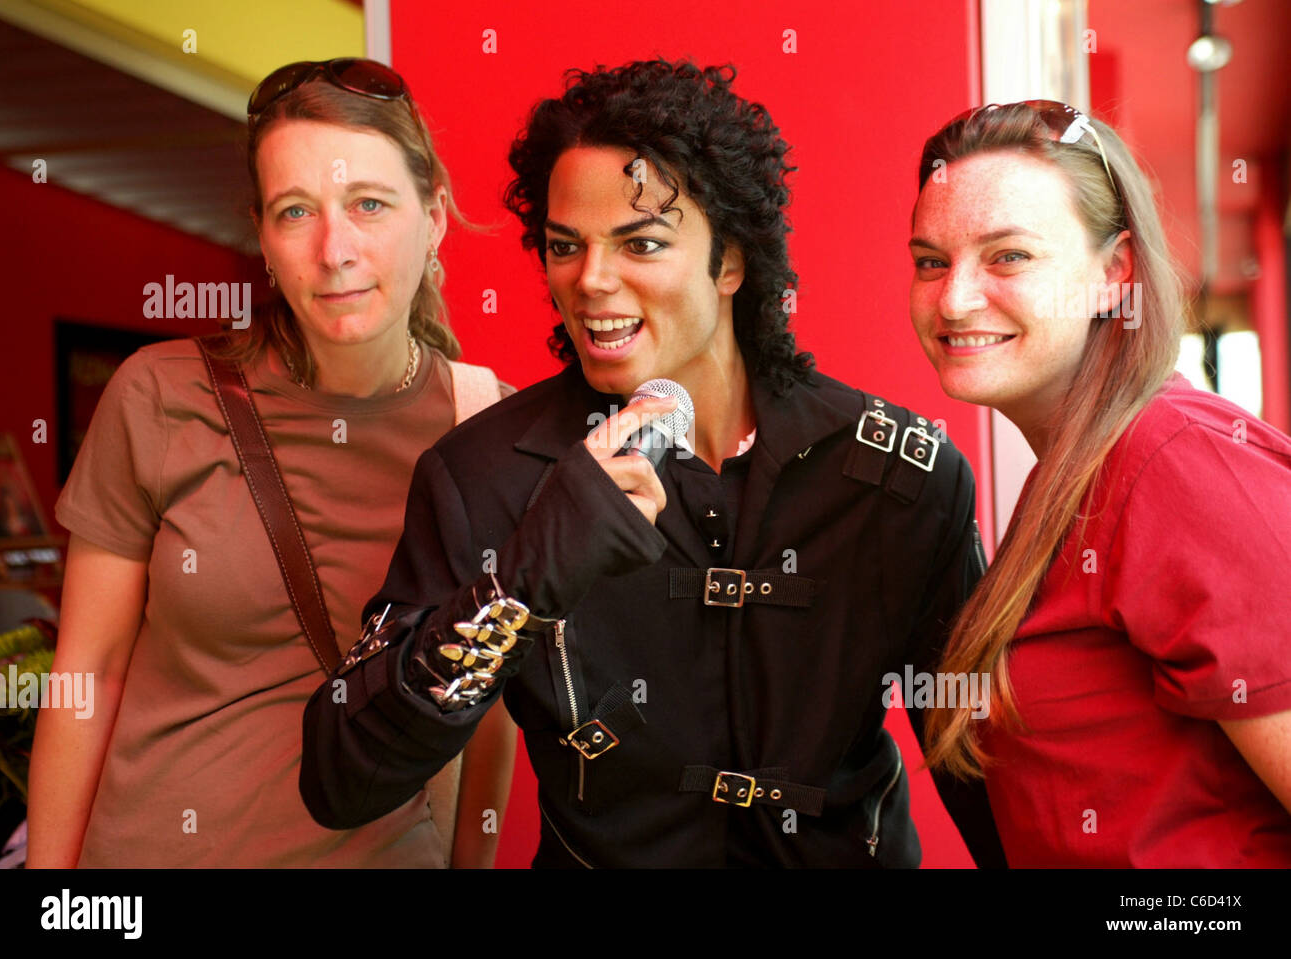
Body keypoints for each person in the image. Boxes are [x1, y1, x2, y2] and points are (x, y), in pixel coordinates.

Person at [301, 59, 1005, 868]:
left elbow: (987, 779)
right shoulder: (484, 474)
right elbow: (339, 778)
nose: (591, 280)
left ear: (731, 261)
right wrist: (521, 586)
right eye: (566, 245)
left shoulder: (898, 473)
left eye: (640, 242)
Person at [27, 59, 516, 867]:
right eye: (297, 212)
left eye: (368, 204)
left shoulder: (489, 424)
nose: (335, 250)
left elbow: (485, 708)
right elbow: (90, 672)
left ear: (432, 218)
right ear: (262, 233)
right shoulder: (159, 394)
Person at [909, 100, 1291, 867]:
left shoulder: (1172, 460)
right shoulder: (1073, 475)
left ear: (1114, 273)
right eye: (929, 260)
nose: (954, 298)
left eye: (1007, 256)